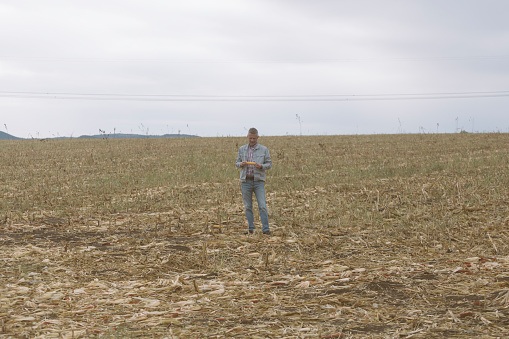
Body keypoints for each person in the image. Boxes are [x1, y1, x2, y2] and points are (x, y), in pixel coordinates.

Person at [236, 128, 272, 235]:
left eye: (254, 138)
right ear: (247, 137)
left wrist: (261, 166)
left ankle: (266, 230)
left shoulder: (264, 150)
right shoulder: (242, 149)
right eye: (250, 138)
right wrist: (241, 164)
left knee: (262, 206)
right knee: (248, 206)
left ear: (257, 137)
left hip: (258, 182)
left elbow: (269, 164)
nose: (252, 140)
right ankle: (251, 229)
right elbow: (237, 163)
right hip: (245, 181)